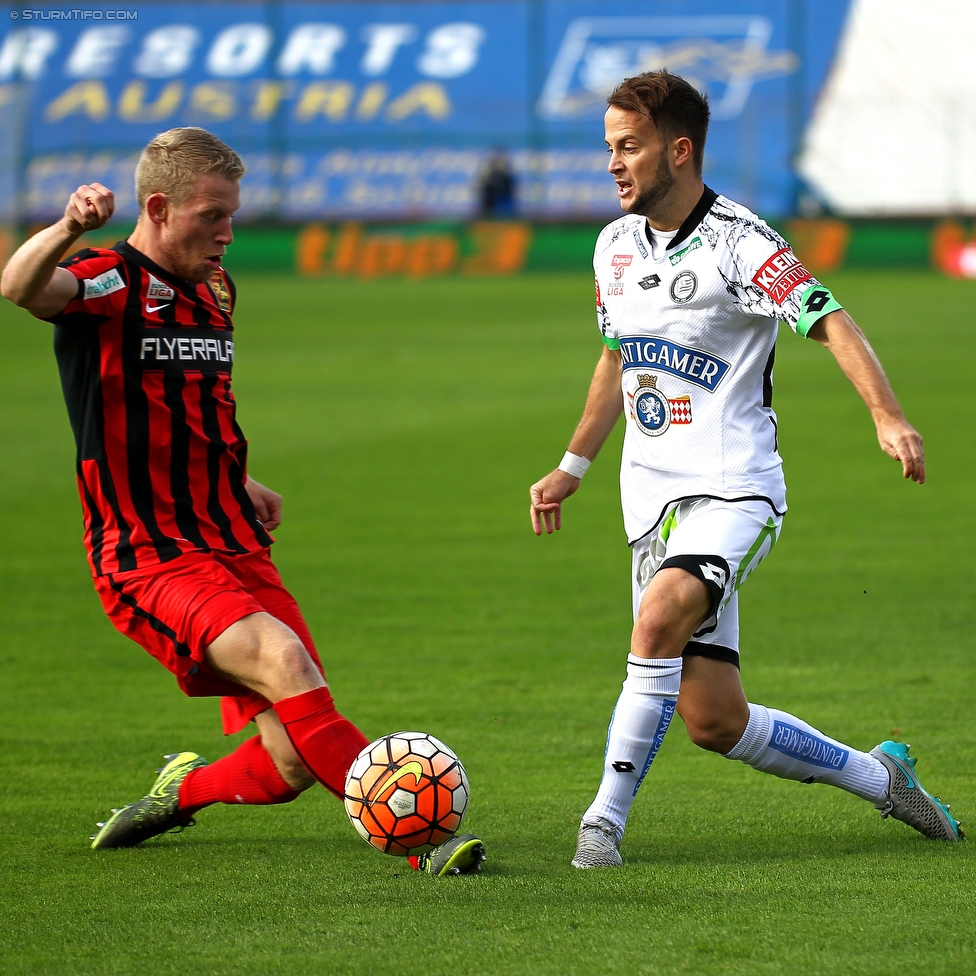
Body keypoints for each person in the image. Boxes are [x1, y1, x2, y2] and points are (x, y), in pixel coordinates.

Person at [1, 127, 484, 877]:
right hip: (148, 555)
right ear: (158, 207)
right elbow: (21, 286)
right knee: (283, 659)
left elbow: (204, 405)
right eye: (211, 216)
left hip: (232, 537)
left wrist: (243, 479)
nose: (229, 233)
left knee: (290, 760)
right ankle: (422, 843)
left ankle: (179, 793)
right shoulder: (108, 282)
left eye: (232, 215)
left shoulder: (217, 288)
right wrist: (68, 228)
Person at [528, 71, 963, 868]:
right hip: (647, 502)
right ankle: (883, 777)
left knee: (656, 620)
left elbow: (827, 320)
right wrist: (573, 464)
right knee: (713, 720)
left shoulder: (741, 240)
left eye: (629, 147)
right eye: (609, 148)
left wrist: (886, 414)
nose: (614, 164)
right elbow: (617, 357)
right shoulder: (614, 246)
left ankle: (601, 829)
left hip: (735, 490)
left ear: (679, 149)